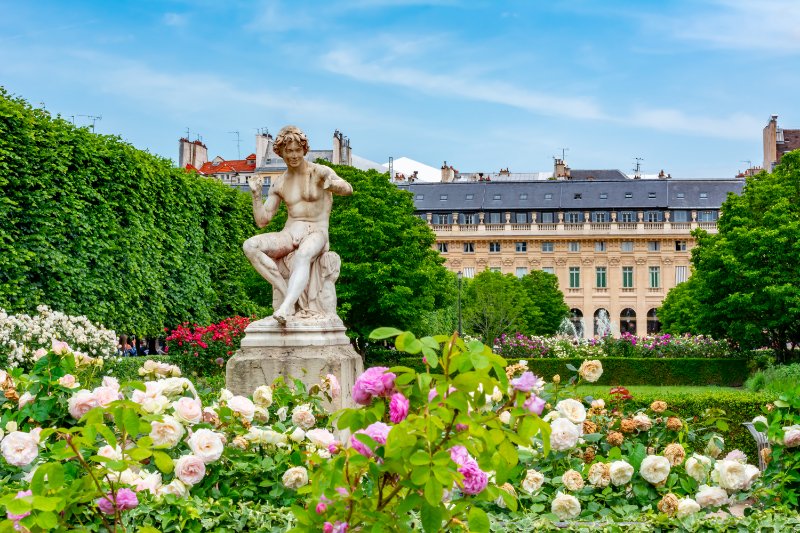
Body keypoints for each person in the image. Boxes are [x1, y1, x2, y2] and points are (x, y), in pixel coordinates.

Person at [243, 125, 352, 325]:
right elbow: (262, 220)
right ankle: (287, 297)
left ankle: (285, 308)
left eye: (297, 150)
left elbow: (348, 188)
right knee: (250, 246)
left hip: (317, 231)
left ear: (304, 150)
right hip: (290, 232)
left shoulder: (319, 172)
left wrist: (334, 185)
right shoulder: (280, 183)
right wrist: (256, 195)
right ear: (281, 153)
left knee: (303, 254)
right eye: (289, 151)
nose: (293, 155)